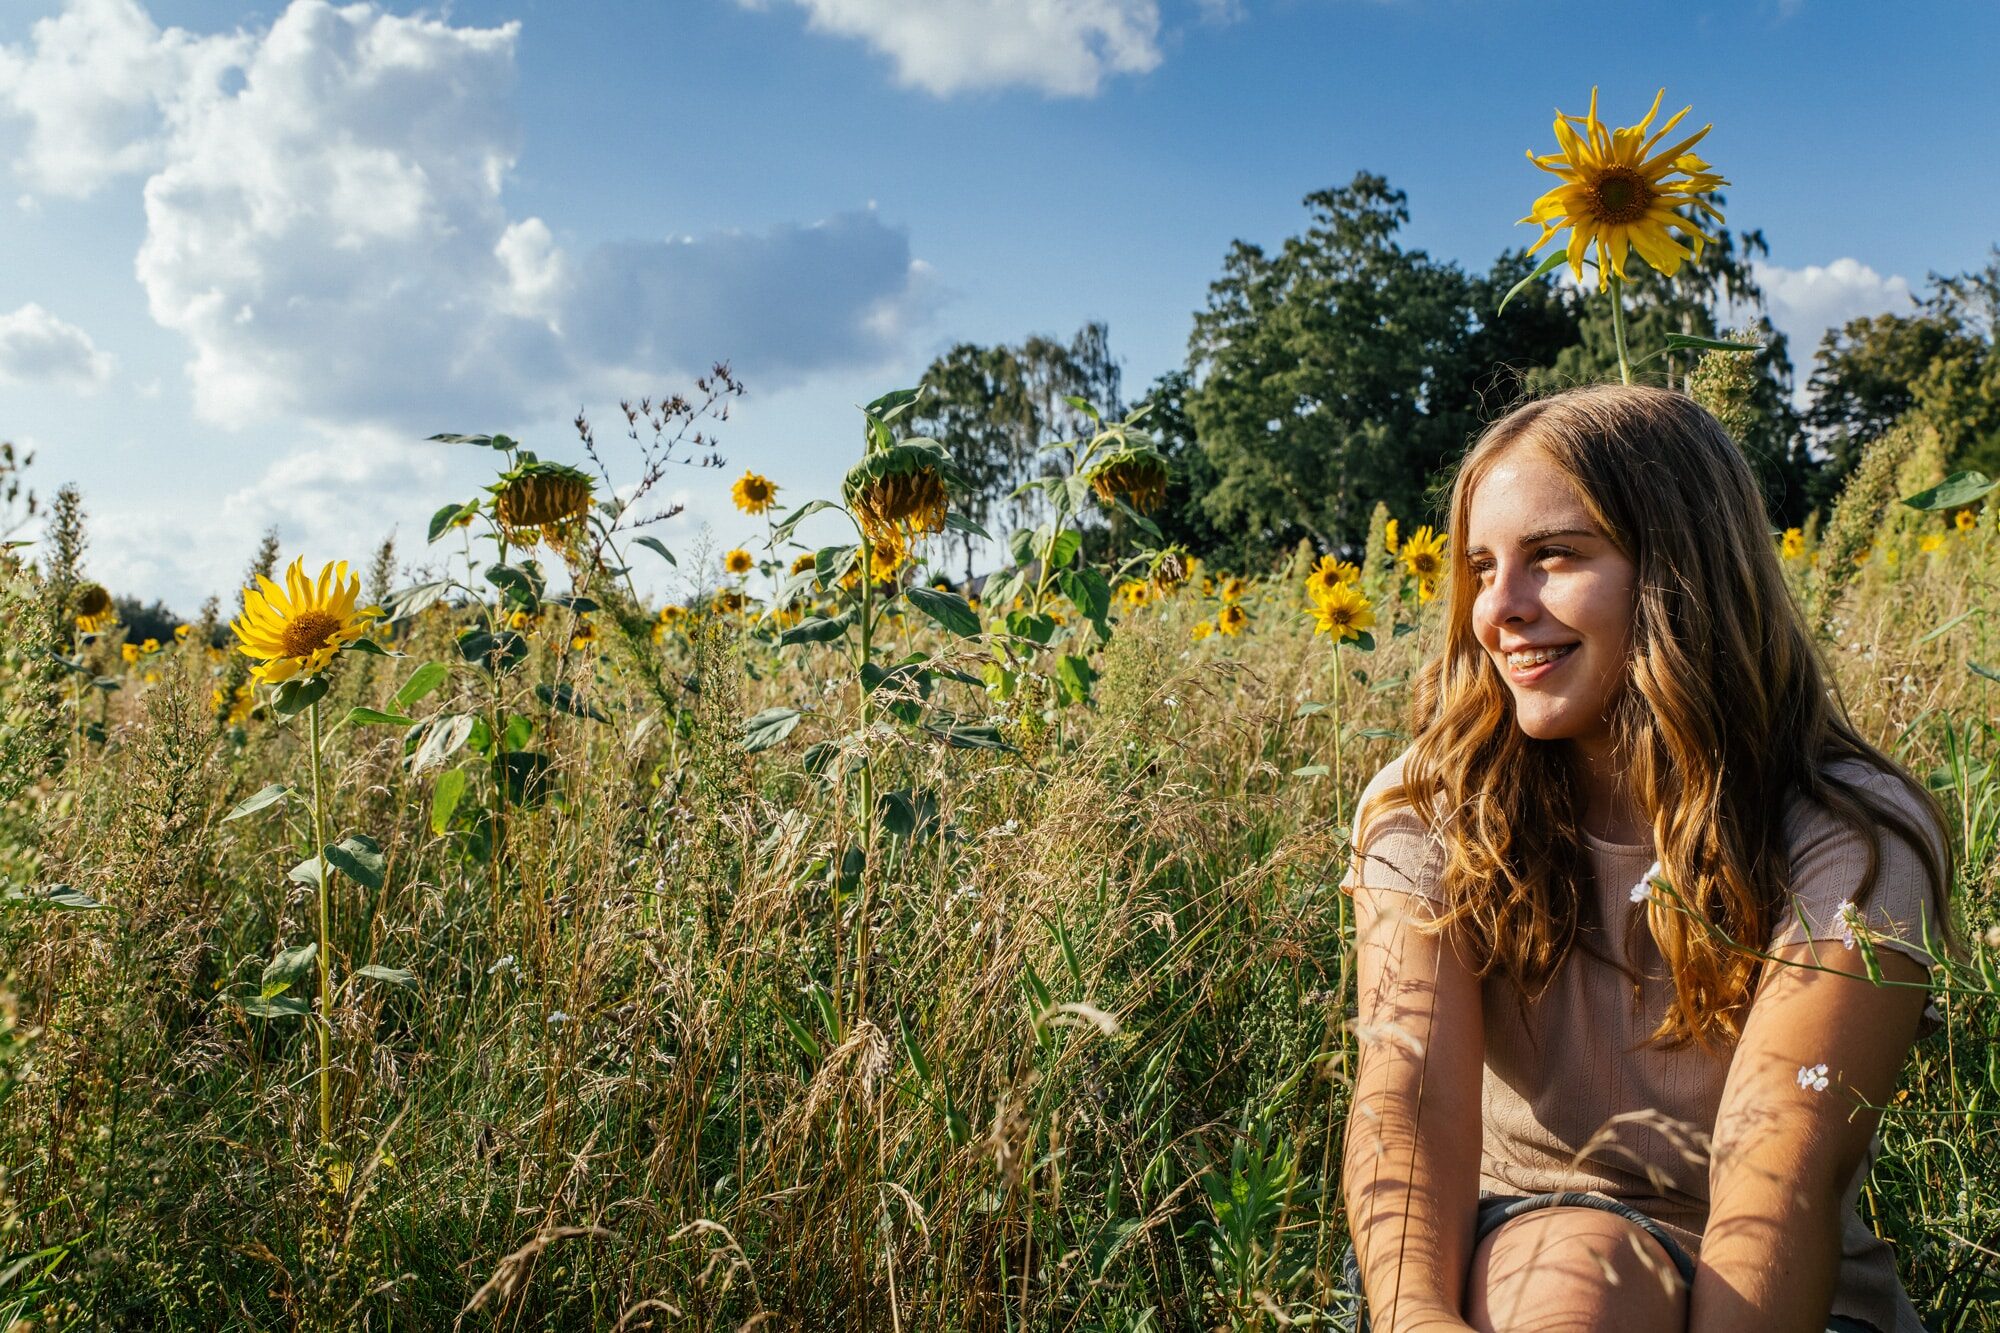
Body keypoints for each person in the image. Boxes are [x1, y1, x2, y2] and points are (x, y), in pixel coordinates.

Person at [1338, 385, 1954, 1333]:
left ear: (1680, 567)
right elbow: (1406, 1098)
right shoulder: (1430, 805)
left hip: (1780, 1298)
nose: (1498, 609)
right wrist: (1417, 1319)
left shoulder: (1849, 833)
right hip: (1517, 1252)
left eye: (1554, 556)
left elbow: (1786, 1150)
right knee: (1578, 1279)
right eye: (1480, 567)